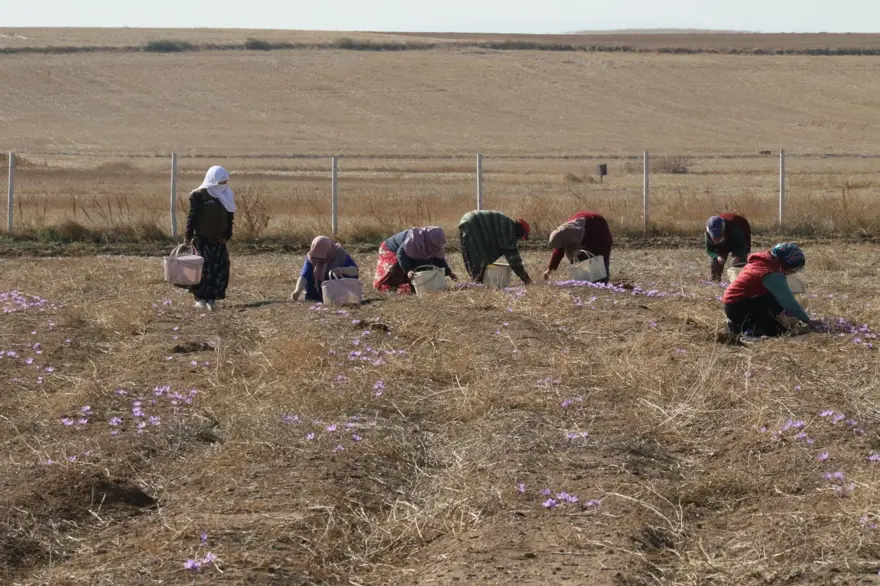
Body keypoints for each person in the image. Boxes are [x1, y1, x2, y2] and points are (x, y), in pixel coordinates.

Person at [722, 242, 822, 337]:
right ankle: (753, 328)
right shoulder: (771, 273)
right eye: (794, 269)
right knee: (778, 328)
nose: (793, 272)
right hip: (738, 307)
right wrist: (808, 321)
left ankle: (740, 324)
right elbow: (788, 302)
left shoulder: (763, 262)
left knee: (773, 302)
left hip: (734, 306)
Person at [185, 166, 235, 311]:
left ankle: (212, 298)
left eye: (225, 182)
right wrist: (188, 237)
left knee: (219, 269)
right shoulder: (199, 195)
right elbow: (192, 217)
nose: (224, 185)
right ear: (213, 181)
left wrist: (227, 236)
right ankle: (200, 298)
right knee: (203, 270)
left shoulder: (227, 194)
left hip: (219, 240)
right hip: (202, 239)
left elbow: (230, 217)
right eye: (221, 182)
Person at [373, 226, 457, 292]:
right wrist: (408, 270)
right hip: (391, 250)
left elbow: (438, 258)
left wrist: (449, 272)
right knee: (397, 270)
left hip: (404, 253)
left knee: (423, 267)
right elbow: (401, 254)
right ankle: (391, 285)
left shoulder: (433, 244)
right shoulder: (414, 239)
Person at [458, 210, 532, 285]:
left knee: (471, 254)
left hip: (467, 220)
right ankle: (478, 281)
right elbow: (514, 260)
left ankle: (477, 280)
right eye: (522, 236)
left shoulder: (507, 225)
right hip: (474, 223)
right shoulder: (509, 231)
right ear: (521, 232)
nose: (520, 239)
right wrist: (526, 279)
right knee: (479, 255)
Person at [543, 211, 613, 283]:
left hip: (598, 227)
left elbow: (604, 249)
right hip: (586, 227)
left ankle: (601, 282)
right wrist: (550, 269)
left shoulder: (590, 235)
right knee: (579, 259)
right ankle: (587, 281)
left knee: (599, 263)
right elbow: (558, 251)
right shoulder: (563, 233)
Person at [290, 236, 359, 302]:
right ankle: (316, 297)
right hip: (318, 291)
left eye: (322, 257)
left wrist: (340, 270)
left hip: (340, 291)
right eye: (317, 257)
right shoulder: (312, 257)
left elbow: (354, 270)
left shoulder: (341, 254)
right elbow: (304, 275)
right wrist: (297, 291)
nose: (319, 260)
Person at [706, 214, 751, 280]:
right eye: (715, 239)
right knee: (716, 261)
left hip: (740, 233)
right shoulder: (708, 233)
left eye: (718, 238)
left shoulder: (735, 230)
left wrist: (738, 255)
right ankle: (715, 279)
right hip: (726, 239)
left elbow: (743, 245)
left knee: (740, 261)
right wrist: (717, 257)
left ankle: (741, 280)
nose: (717, 241)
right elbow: (709, 250)